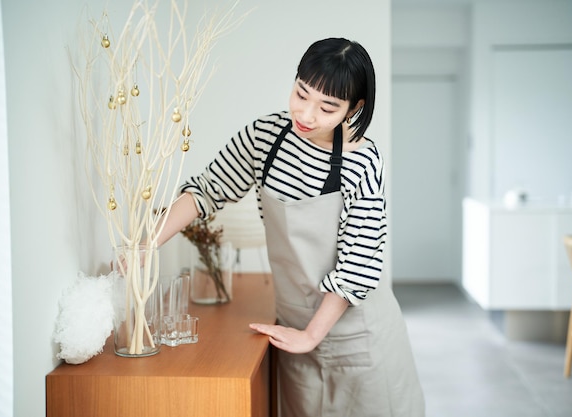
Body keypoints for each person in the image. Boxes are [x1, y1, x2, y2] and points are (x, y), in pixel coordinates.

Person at [157, 38, 425, 417]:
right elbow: (205, 191)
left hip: (356, 337)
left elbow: (360, 266)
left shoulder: (362, 161)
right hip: (294, 330)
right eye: (301, 94)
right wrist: (145, 244)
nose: (307, 114)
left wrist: (311, 336)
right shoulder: (264, 138)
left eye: (327, 107)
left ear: (355, 108)